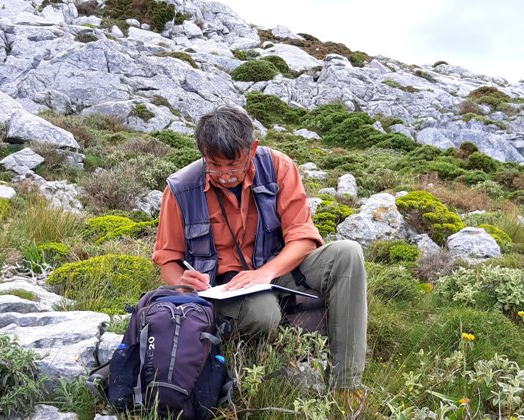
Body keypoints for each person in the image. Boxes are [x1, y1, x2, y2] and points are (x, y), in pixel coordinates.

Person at [152, 106, 367, 390]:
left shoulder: (279, 168)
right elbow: (167, 257)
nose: (225, 175)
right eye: (214, 165)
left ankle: (346, 388)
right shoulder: (180, 189)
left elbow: (302, 237)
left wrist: (266, 272)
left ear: (252, 149)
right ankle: (257, 372)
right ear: (202, 152)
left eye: (233, 165)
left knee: (348, 254)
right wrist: (182, 282)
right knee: (264, 314)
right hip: (224, 289)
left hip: (277, 270)